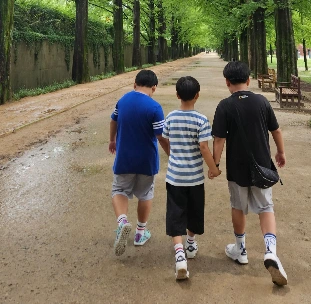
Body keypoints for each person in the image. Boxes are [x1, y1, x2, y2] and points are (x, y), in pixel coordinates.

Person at [212, 61, 288, 286]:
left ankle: (241, 250)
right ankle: (270, 251)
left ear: (227, 82)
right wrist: (281, 152)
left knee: (238, 207)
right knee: (266, 207)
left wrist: (215, 164)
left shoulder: (224, 106)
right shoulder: (262, 101)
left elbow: (219, 139)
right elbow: (276, 130)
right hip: (261, 166)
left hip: (237, 168)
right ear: (248, 80)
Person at [162, 76, 221, 280]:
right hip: (195, 178)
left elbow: (166, 139)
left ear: (177, 95)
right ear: (197, 95)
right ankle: (190, 242)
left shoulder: (170, 117)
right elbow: (203, 147)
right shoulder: (201, 120)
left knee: (175, 213)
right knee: (195, 211)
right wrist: (213, 169)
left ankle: (179, 254)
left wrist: (173, 154)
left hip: (175, 177)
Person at [109, 68, 170, 256]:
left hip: (124, 157)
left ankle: (122, 222)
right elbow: (160, 137)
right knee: (145, 193)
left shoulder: (123, 100)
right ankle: (140, 233)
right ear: (154, 87)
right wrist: (172, 154)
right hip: (146, 160)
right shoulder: (154, 107)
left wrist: (112, 140)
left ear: (134, 84)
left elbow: (113, 121)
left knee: (119, 190)